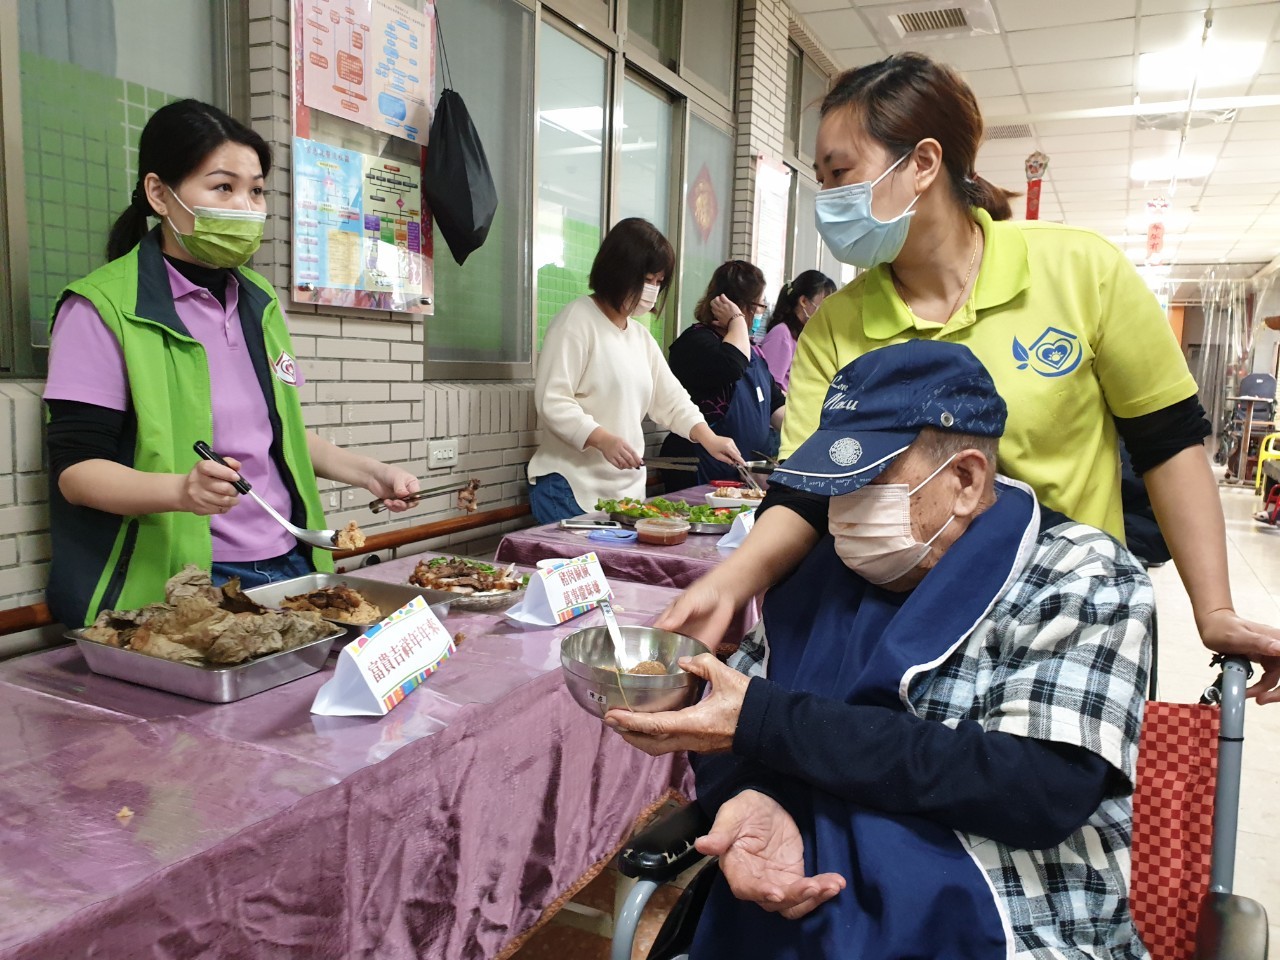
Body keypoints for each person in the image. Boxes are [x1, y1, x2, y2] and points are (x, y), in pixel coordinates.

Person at [655, 52, 1280, 699]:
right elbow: (809, 491)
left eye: (841, 174)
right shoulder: (839, 324)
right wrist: (731, 582)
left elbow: (1168, 443)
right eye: (822, 180)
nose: (830, 200)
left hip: (1060, 617)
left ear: (923, 163)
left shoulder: (1080, 272)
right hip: (900, 621)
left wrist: (1215, 610)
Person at [610, 341, 1152, 959]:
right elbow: (735, 717)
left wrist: (769, 723)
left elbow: (1038, 787)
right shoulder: (819, 571)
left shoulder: (1080, 577)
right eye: (836, 486)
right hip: (801, 893)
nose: (843, 512)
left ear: (966, 480)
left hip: (1003, 903)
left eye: (870, 482)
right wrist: (754, 793)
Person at [43, 100, 419, 627]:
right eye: (223, 187)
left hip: (291, 557)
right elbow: (77, 474)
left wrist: (372, 473)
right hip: (185, 581)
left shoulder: (258, 300)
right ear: (159, 194)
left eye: (256, 190)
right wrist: (181, 490)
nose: (245, 207)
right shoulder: (100, 308)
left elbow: (277, 435)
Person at [527, 218, 742, 523]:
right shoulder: (576, 321)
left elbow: (672, 400)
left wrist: (709, 438)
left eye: (659, 281)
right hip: (570, 487)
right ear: (618, 271)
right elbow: (553, 401)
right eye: (647, 279)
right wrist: (602, 438)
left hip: (624, 494)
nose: (652, 290)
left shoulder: (640, 337)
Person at [658, 260, 785, 488]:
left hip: (741, 476)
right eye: (758, 305)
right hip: (699, 470)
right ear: (737, 306)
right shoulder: (697, 341)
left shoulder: (753, 352)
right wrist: (737, 321)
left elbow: (776, 406)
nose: (760, 313)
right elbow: (732, 366)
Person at [757, 270, 836, 393]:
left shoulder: (804, 335)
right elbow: (768, 387)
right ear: (803, 301)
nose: (827, 313)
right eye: (823, 305)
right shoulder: (782, 334)